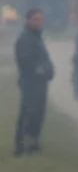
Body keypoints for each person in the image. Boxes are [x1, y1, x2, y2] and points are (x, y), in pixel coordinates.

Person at [13, 9, 54, 156]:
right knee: (28, 113)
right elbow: (26, 62)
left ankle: (33, 143)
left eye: (41, 19)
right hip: (30, 83)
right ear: (28, 20)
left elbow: (44, 59)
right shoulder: (25, 39)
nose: (39, 22)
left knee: (38, 113)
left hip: (40, 83)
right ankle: (21, 145)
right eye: (36, 19)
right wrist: (40, 69)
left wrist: (48, 69)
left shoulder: (37, 37)